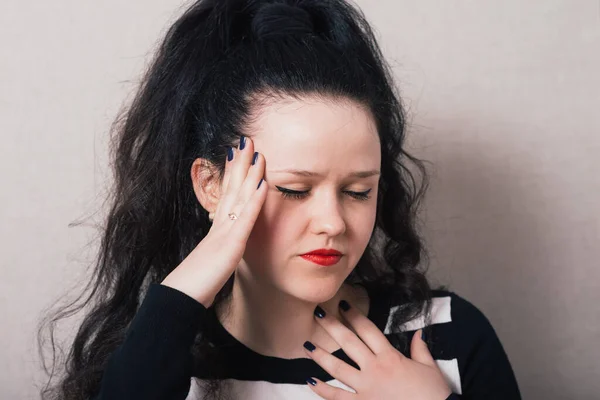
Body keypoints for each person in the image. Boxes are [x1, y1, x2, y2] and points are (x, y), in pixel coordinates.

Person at [38, 0, 522, 399]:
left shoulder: (449, 334)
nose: (332, 221)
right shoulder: (159, 360)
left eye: (359, 191)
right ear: (212, 185)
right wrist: (186, 286)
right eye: (294, 189)